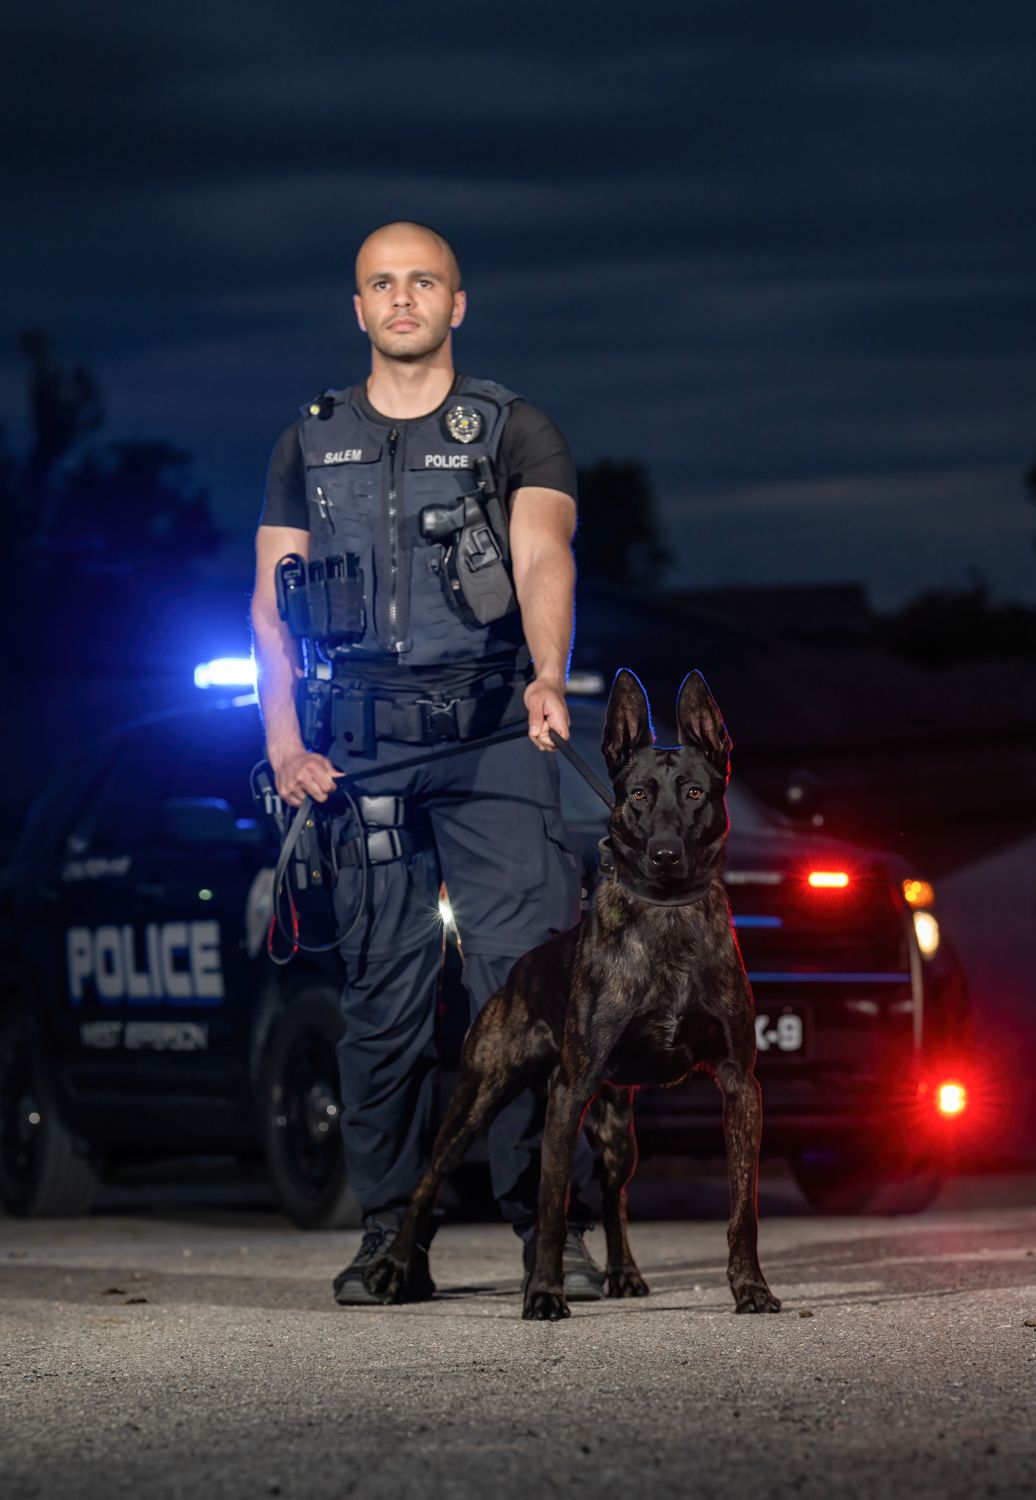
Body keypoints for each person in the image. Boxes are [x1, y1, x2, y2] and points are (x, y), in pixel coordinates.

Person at [250, 221, 603, 1304]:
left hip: (499, 733)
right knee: (383, 1001)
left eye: (424, 282)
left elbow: (545, 552)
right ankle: (391, 1237)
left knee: (531, 995)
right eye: (381, 285)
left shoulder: (514, 429)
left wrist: (549, 673)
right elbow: (271, 608)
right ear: (357, 310)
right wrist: (285, 744)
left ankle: (552, 1229)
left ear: (459, 302)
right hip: (362, 751)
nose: (402, 299)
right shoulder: (307, 441)